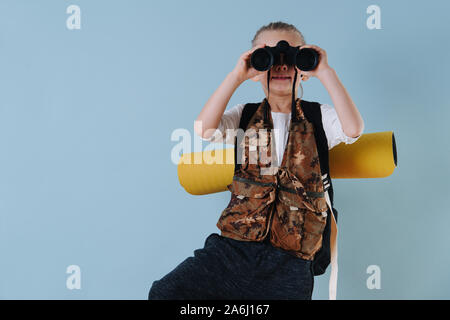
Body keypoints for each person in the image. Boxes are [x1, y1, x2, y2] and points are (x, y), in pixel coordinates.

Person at [148, 21, 364, 300]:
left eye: (293, 58)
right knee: (166, 294)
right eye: (270, 58)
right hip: (234, 248)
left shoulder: (319, 117)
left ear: (304, 69)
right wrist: (236, 75)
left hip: (292, 257)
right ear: (256, 69)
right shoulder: (245, 115)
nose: (282, 66)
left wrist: (325, 71)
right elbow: (204, 129)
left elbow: (353, 128)